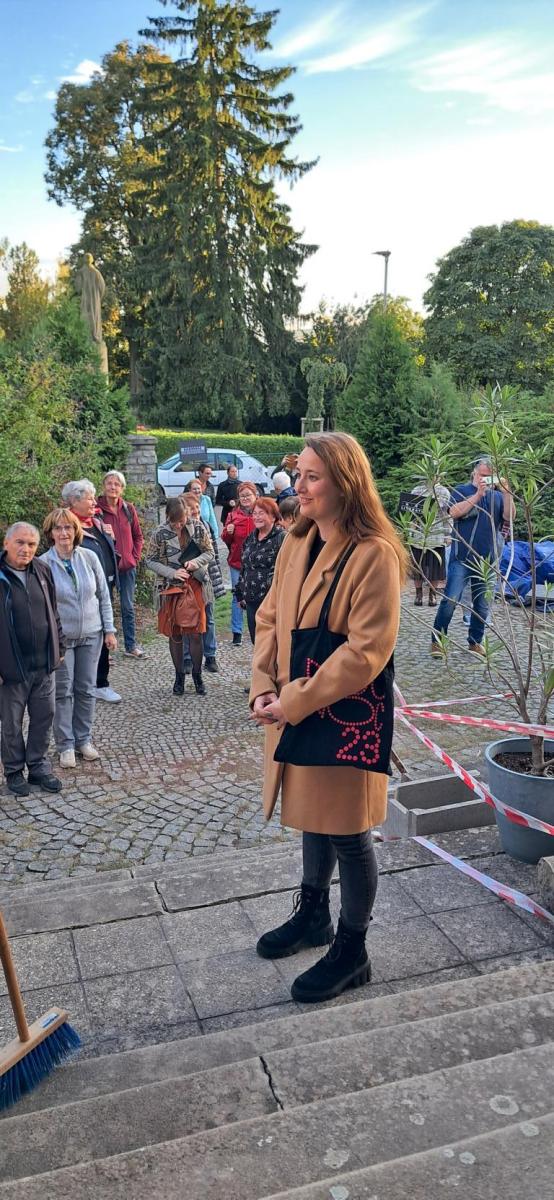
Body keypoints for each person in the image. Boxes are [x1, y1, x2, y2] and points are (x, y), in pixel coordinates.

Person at [250, 432, 406, 1004]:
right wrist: (262, 684)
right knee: (312, 816)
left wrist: (291, 700)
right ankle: (313, 914)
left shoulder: (374, 554)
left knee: (348, 833)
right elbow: (269, 617)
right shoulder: (297, 540)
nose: (300, 486)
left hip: (342, 715)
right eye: (300, 474)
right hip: (293, 705)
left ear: (345, 483)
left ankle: (352, 949)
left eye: (313, 477)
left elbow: (365, 653)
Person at [41, 508, 117, 767]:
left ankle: (83, 739)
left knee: (86, 689)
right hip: (62, 639)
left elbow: (104, 596)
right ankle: (65, 745)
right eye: (58, 528)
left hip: (92, 634)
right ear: (50, 533)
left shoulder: (89, 557)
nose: (64, 533)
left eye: (68, 528)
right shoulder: (43, 564)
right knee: (63, 692)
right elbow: (43, 607)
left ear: (76, 531)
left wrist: (109, 630)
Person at [0, 522, 65, 796]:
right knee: (11, 723)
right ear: (6, 543)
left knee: (43, 717)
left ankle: (38, 766)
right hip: (10, 667)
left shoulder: (42, 569)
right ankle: (14, 771)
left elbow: (53, 610)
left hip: (43, 664)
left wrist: (60, 647)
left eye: (31, 544)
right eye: (20, 542)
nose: (25, 549)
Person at [431, 457, 515, 657]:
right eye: (482, 475)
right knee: (450, 601)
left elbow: (509, 517)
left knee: (482, 605)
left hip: (487, 561)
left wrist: (507, 493)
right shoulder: (462, 490)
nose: (484, 479)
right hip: (461, 557)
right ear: (474, 473)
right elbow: (453, 512)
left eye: (489, 476)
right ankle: (437, 642)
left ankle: (475, 642)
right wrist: (478, 495)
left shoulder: (498, 496)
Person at [145, 497, 214, 696]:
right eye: (174, 522)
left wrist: (195, 563)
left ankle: (198, 676)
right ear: (167, 516)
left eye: (181, 521)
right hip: (170, 587)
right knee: (174, 632)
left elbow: (209, 552)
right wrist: (172, 573)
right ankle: (179, 676)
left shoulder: (198, 527)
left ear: (187, 515)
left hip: (195, 584)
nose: (178, 525)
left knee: (195, 632)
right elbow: (150, 560)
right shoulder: (159, 532)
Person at [62, 479, 121, 702]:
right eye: (89, 498)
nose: (94, 502)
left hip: (105, 586)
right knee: (87, 638)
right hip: (83, 593)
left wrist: (111, 539)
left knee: (104, 632)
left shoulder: (96, 522)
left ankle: (100, 682)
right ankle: (86, 684)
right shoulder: (67, 528)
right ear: (74, 501)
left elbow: (107, 550)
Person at [97, 470, 144, 657]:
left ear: (122, 489)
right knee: (104, 606)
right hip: (106, 568)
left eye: (117, 484)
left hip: (127, 567)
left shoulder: (128, 509)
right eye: (109, 483)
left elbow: (138, 536)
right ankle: (105, 651)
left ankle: (130, 646)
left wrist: (134, 557)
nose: (113, 487)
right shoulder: (97, 510)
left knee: (127, 607)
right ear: (103, 486)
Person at [181, 491, 220, 675]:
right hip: (187, 581)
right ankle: (187, 657)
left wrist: (215, 579)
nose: (196, 511)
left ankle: (210, 656)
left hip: (205, 579)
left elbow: (214, 555)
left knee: (209, 618)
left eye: (197, 507)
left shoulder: (205, 525)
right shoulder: (180, 530)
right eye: (192, 508)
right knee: (186, 619)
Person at [235, 498, 285, 644]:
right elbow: (245, 566)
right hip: (251, 600)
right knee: (257, 642)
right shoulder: (251, 537)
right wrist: (239, 592)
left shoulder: (282, 537)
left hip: (271, 601)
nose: (256, 517)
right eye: (254, 513)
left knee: (272, 643)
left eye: (261, 513)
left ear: (273, 516)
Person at [221, 481, 257, 645]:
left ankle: (257, 628)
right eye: (242, 496)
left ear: (255, 495)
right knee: (238, 596)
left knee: (257, 595)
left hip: (257, 563)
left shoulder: (261, 512)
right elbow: (225, 538)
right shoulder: (233, 515)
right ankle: (237, 632)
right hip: (237, 562)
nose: (245, 498)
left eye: (248, 495)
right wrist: (228, 532)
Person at [409, 480, 451, 606]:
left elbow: (447, 514)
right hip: (419, 534)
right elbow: (411, 513)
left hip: (436, 533)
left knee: (435, 567)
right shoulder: (416, 490)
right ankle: (419, 594)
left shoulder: (444, 491)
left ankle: (433, 594)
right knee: (417, 566)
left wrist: (448, 534)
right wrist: (410, 532)